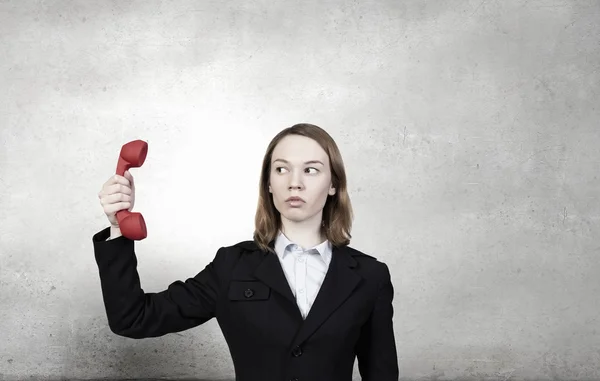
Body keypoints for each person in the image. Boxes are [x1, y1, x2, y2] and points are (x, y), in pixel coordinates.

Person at [93, 123, 399, 381]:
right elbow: (132, 319)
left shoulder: (370, 276)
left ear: (333, 184)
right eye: (282, 169)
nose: (295, 183)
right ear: (268, 182)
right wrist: (117, 226)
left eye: (311, 170)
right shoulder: (232, 265)